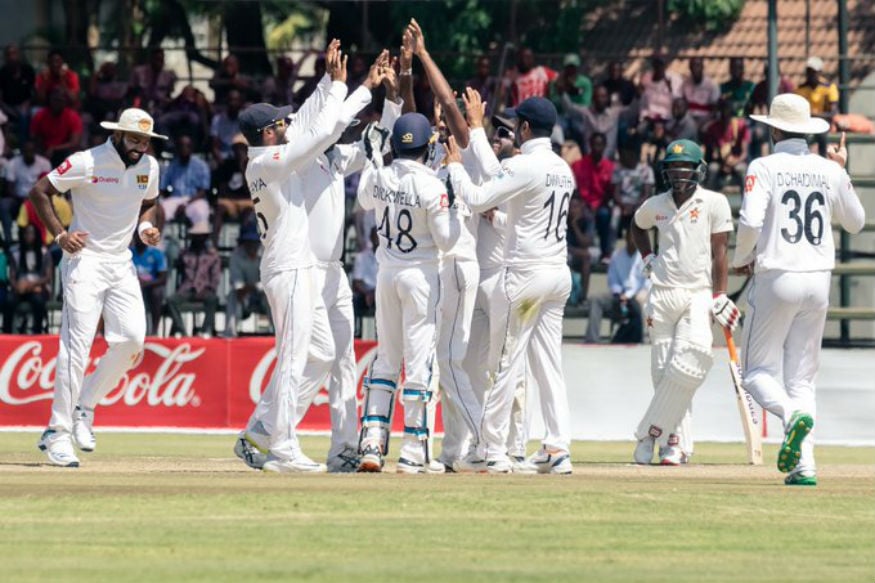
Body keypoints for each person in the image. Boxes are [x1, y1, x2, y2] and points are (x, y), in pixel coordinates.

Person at [734, 94, 865, 486]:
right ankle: (803, 466)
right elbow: (856, 222)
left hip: (778, 273)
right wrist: (842, 174)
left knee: (755, 371)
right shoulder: (828, 169)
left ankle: (791, 419)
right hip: (819, 278)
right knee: (802, 380)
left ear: (774, 128)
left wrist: (744, 256)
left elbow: (751, 220)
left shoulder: (764, 165)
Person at [233, 39, 347, 474]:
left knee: (322, 352)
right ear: (267, 134)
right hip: (290, 268)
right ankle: (282, 447)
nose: (286, 125)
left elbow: (303, 118)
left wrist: (327, 80)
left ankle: (263, 432)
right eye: (279, 124)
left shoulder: (270, 154)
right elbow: (319, 134)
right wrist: (338, 90)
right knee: (296, 356)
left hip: (297, 268)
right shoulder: (267, 163)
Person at [445, 96, 575, 475]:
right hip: (557, 275)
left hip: (525, 279)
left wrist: (455, 167)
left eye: (517, 124)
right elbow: (500, 178)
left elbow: (475, 195)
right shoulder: (562, 168)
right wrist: (476, 130)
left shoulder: (524, 165)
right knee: (549, 365)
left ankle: (492, 450)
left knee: (505, 364)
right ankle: (557, 446)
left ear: (525, 129)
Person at [29, 107, 164, 467]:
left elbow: (148, 203)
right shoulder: (86, 161)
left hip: (121, 262)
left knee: (133, 341)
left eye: (146, 141)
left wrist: (144, 228)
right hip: (84, 261)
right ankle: (56, 433)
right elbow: (39, 191)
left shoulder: (149, 167)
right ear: (118, 134)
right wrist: (60, 234)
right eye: (135, 138)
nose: (140, 146)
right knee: (76, 348)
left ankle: (84, 406)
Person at [292, 49, 399, 473]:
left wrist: (390, 97)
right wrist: (363, 87)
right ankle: (266, 431)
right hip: (303, 269)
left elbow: (382, 141)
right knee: (310, 355)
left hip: (333, 270)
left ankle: (342, 448)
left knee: (343, 360)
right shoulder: (297, 155)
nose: (347, 131)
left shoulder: (335, 159)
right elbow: (332, 122)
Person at [355, 111, 461, 473]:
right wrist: (456, 203)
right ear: (424, 146)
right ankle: (413, 449)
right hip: (421, 275)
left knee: (387, 357)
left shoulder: (382, 175)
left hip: (387, 273)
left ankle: (371, 440)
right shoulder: (432, 185)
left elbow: (365, 199)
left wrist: (373, 159)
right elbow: (447, 239)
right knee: (419, 361)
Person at [630, 138, 737, 466]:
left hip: (697, 292)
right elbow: (636, 226)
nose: (678, 172)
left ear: (698, 169)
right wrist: (648, 258)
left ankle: (649, 434)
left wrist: (719, 295)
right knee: (663, 372)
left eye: (685, 167)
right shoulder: (656, 204)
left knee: (690, 362)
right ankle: (674, 443)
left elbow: (720, 253)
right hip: (662, 293)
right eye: (673, 167)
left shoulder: (714, 203)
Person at [584, 228, 649, 343]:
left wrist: (628, 296)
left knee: (640, 300)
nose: (633, 240)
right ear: (627, 238)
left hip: (636, 296)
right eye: (631, 237)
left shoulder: (644, 258)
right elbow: (612, 279)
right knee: (596, 299)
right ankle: (592, 340)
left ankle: (640, 339)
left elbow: (645, 282)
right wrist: (618, 293)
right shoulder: (617, 255)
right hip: (618, 296)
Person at [223, 220, 267, 338]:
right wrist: (251, 287)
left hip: (263, 296)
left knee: (273, 295)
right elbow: (238, 286)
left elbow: (269, 282)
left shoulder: (266, 253)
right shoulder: (236, 255)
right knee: (232, 296)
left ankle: (278, 335)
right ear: (243, 242)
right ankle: (230, 334)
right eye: (248, 242)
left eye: (254, 242)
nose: (251, 245)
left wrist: (255, 287)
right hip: (245, 297)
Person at [1, 141, 51, 243]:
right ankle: (8, 240)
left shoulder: (44, 163)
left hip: (38, 198)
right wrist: (21, 198)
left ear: (35, 151)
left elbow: (48, 186)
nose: (29, 153)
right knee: (4, 204)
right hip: (18, 198)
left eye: (31, 151)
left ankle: (47, 239)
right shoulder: (13, 163)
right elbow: (9, 188)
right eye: (26, 151)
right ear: (22, 152)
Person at [7, 223, 52, 333]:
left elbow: (47, 277)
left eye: (32, 233)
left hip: (38, 288)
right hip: (20, 288)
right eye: (26, 233)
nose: (29, 236)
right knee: (9, 301)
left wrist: (32, 285)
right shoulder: (15, 252)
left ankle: (37, 333)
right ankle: (7, 334)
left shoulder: (44, 252)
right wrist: (16, 286)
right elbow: (12, 275)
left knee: (39, 302)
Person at [158, 135, 211, 227]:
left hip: (195, 200)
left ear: (192, 148)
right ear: (177, 148)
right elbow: (162, 187)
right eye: (181, 146)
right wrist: (160, 199)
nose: (184, 149)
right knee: (160, 210)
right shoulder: (172, 166)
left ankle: (199, 240)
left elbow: (203, 192)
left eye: (187, 146)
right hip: (175, 199)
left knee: (201, 212)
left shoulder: (201, 166)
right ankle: (158, 240)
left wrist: (186, 203)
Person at [702, 99, 751, 192]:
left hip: (737, 160)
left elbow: (744, 153)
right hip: (720, 161)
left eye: (729, 111)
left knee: (742, 169)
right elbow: (714, 154)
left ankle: (746, 199)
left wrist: (733, 162)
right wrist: (723, 162)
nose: (727, 114)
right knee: (712, 168)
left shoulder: (741, 126)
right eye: (725, 110)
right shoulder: (714, 127)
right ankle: (709, 198)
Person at [212, 133, 253, 240]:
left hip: (246, 201)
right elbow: (222, 188)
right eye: (236, 148)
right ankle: (213, 244)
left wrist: (243, 167)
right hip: (229, 201)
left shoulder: (253, 166)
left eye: (242, 148)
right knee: (219, 210)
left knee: (248, 213)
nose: (239, 151)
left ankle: (242, 241)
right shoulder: (227, 165)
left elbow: (249, 190)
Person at [794, 57, 839, 156]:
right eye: (808, 71)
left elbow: (833, 112)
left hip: (824, 123)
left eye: (813, 71)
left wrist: (815, 115)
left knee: (822, 135)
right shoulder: (800, 89)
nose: (810, 74)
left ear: (820, 72)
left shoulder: (829, 87)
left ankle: (823, 160)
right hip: (806, 123)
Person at [30, 89, 83, 167]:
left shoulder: (73, 116)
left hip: (64, 152)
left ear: (65, 102)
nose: (57, 103)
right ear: (50, 100)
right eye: (55, 100)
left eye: (60, 100)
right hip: (44, 150)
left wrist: (54, 148)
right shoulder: (40, 115)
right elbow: (33, 136)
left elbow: (74, 142)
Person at [131, 230, 168, 336]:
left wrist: (146, 284)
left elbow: (163, 278)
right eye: (138, 237)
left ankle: (154, 330)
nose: (140, 240)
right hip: (132, 285)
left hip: (150, 285)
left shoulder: (156, 254)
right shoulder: (128, 253)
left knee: (157, 292)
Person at [129, 48, 177, 114]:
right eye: (157, 59)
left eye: (161, 60)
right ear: (151, 59)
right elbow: (131, 92)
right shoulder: (138, 72)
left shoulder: (168, 76)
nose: (159, 62)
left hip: (161, 108)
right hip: (141, 106)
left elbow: (168, 95)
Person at [681, 57, 719, 126]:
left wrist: (706, 122)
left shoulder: (711, 85)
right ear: (690, 68)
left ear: (702, 67)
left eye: (697, 65)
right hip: (689, 118)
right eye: (693, 66)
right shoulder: (685, 84)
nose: (695, 68)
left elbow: (714, 109)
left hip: (706, 119)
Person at [210, 88, 243, 162]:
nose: (232, 103)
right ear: (226, 102)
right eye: (230, 100)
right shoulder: (217, 120)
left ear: (240, 103)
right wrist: (221, 161)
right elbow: (214, 145)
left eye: (235, 100)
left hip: (240, 155)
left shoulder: (245, 119)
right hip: (223, 154)